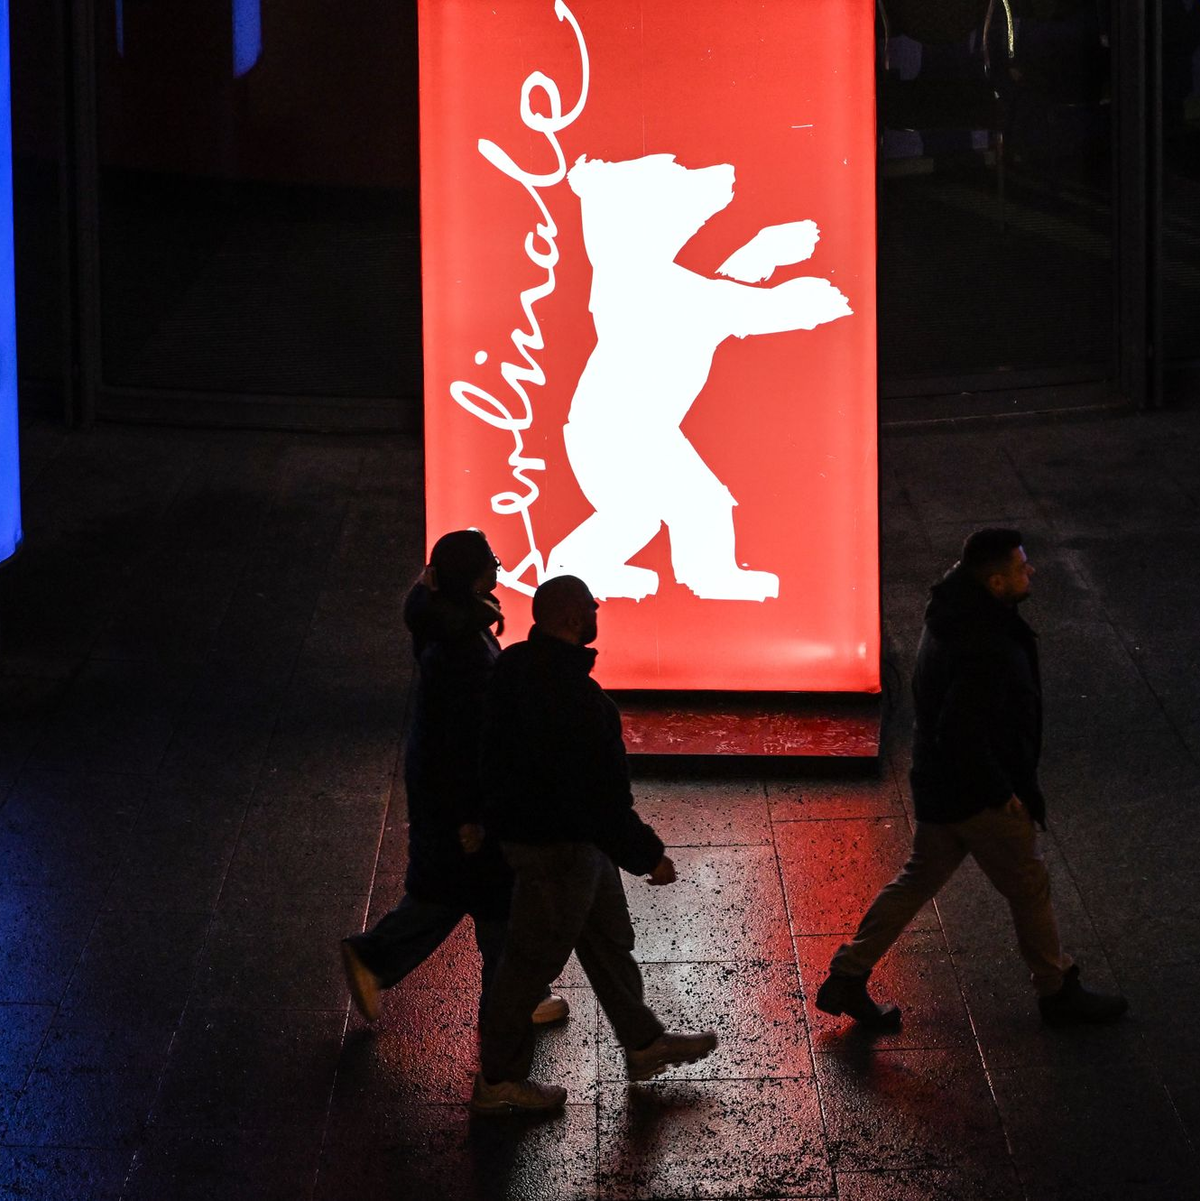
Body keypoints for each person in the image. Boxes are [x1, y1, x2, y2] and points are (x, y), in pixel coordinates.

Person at [816, 529, 1128, 1030]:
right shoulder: (983, 643)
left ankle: (848, 974)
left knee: (918, 878)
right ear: (997, 581)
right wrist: (1002, 791)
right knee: (1029, 885)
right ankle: (1056, 990)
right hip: (977, 796)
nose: (1033, 572)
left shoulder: (953, 609)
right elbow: (964, 728)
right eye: (1023, 568)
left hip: (940, 785)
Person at [469, 574, 717, 1115]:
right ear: (571, 620)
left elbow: (485, 750)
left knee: (607, 940)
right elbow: (599, 798)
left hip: (553, 842)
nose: (597, 610)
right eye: (589, 606)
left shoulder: (511, 667)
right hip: (558, 850)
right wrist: (647, 854)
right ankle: (499, 1081)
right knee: (527, 968)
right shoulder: (580, 700)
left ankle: (644, 1042)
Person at [340, 529, 567, 1028]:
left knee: (454, 895)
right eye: (491, 563)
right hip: (460, 800)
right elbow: (468, 743)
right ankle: (510, 1010)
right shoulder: (465, 651)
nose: (498, 570)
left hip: (441, 791)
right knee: (487, 899)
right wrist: (476, 815)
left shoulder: (440, 621)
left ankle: (381, 959)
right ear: (471, 577)